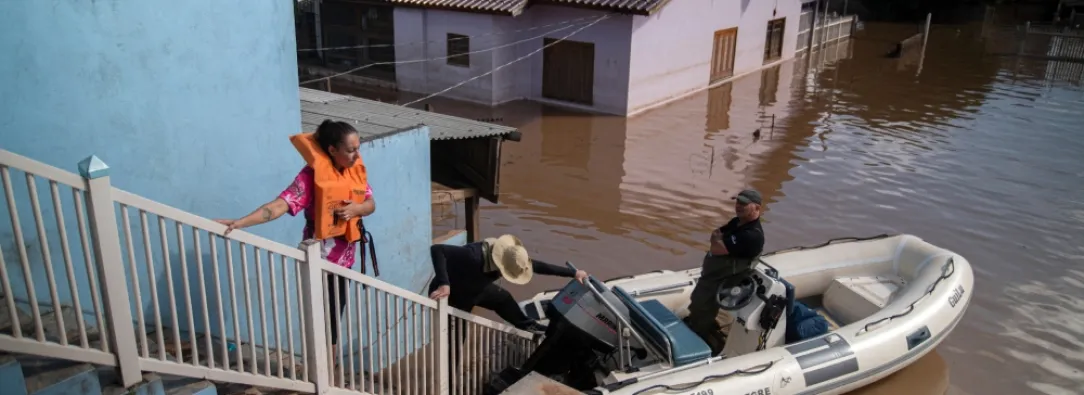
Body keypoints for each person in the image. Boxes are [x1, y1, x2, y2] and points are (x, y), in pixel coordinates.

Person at [213, 119, 376, 356]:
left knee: (333, 318)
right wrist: (241, 222)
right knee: (325, 322)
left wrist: (356, 209)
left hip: (345, 262)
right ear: (332, 150)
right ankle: (327, 378)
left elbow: (370, 203)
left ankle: (329, 374)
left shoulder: (354, 172)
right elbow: (280, 205)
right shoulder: (311, 176)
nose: (356, 155)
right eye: (350, 150)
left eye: (357, 148)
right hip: (319, 260)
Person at [427, 234, 588, 332]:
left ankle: (527, 326)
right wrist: (444, 283)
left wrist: (573, 273)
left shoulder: (510, 257)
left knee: (503, 299)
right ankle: (448, 383)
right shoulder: (473, 256)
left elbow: (537, 266)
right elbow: (438, 250)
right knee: (455, 342)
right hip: (453, 295)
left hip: (475, 288)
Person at [684, 189, 765, 356]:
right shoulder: (737, 222)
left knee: (702, 309)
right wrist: (718, 241)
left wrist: (718, 242)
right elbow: (715, 235)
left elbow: (716, 246)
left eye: (744, 204)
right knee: (697, 304)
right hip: (712, 276)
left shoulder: (752, 235)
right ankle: (702, 330)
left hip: (724, 280)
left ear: (757, 208)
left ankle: (696, 347)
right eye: (737, 202)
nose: (738, 206)